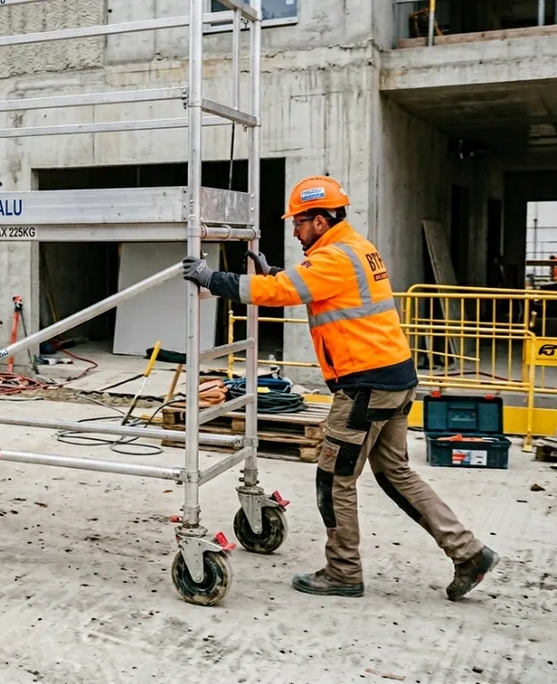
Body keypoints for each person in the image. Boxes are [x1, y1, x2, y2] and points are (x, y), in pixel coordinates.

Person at [181, 175, 498, 600]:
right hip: (394, 378)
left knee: (334, 480)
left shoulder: (333, 256)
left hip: (366, 385)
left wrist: (211, 278)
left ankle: (344, 572)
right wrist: (274, 272)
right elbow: (315, 287)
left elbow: (281, 292)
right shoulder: (354, 248)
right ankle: (468, 552)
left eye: (298, 223)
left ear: (320, 220)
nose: (295, 231)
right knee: (396, 474)